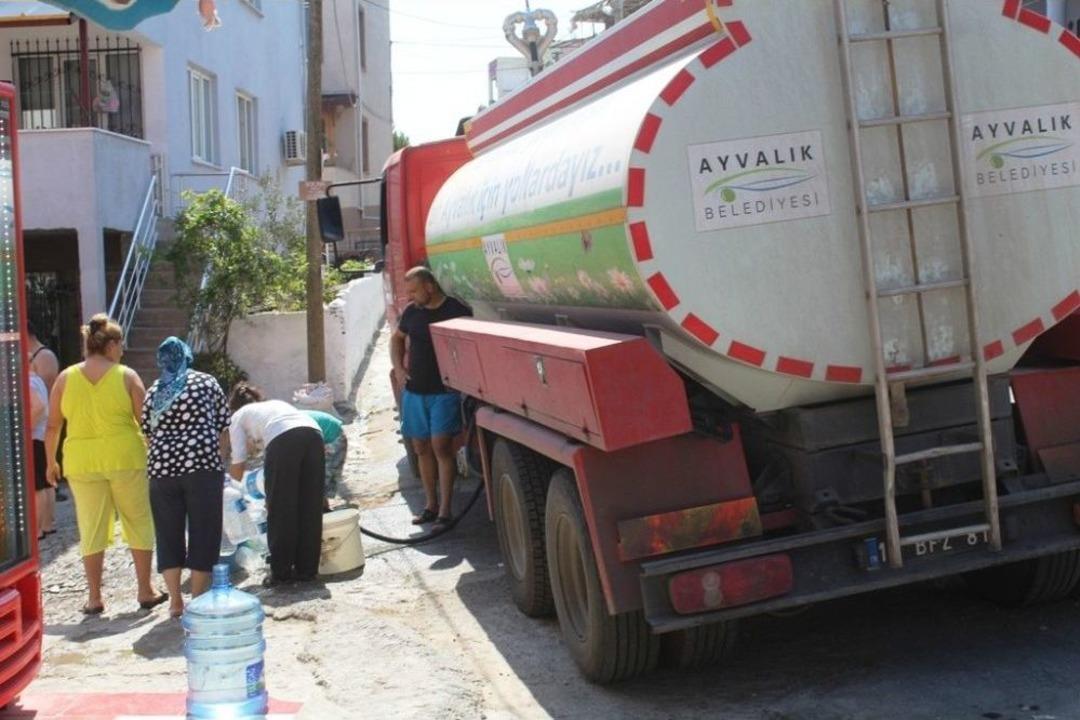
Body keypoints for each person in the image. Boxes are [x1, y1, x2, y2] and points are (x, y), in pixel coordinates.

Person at [44, 314, 166, 615]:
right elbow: (146, 422)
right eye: (121, 344)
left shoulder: (65, 377)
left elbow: (52, 426)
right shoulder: (126, 375)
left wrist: (50, 462)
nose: (122, 350)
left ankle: (95, 596)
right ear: (111, 344)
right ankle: (145, 589)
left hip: (81, 462)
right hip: (126, 457)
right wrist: (158, 454)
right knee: (137, 520)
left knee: (90, 526)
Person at [142, 337, 231, 619]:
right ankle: (199, 599)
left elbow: (147, 433)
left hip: (162, 470)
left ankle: (176, 603)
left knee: (168, 533)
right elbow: (223, 427)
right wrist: (222, 460)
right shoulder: (206, 383)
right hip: (202, 466)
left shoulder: (155, 390)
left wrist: (164, 455)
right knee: (204, 531)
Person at [390, 266, 472, 530]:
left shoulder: (455, 310)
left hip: (443, 393)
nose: (410, 296)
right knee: (421, 448)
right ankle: (430, 505)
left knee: (441, 448)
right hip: (415, 393)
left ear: (430, 286)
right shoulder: (413, 313)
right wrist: (400, 370)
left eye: (414, 290)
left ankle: (446, 510)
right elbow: (397, 339)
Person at [227, 383, 324, 587]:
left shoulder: (237, 417)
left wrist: (229, 490)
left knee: (281, 508)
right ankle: (307, 570)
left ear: (233, 407)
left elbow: (238, 461)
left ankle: (281, 573)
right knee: (309, 505)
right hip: (314, 434)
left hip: (284, 439)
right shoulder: (273, 405)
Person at [28, 369, 55, 540]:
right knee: (46, 484)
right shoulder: (37, 379)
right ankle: (48, 524)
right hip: (42, 436)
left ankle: (38, 529)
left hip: (34, 437)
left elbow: (38, 406)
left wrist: (25, 427)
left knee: (37, 486)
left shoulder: (28, 382)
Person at [305, 410, 347, 511]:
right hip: (327, 431)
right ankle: (323, 509)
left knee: (320, 478)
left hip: (332, 436)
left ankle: (323, 510)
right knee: (318, 478)